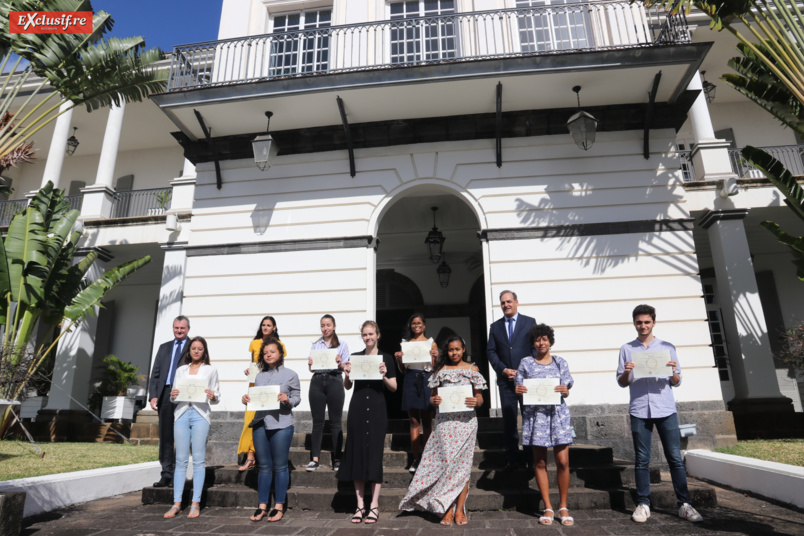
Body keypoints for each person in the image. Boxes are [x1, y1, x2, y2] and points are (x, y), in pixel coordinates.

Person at [616, 304, 703, 524]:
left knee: (674, 457)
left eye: (647, 322)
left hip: (665, 408)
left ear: (654, 322)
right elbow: (621, 382)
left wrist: (673, 371)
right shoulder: (627, 348)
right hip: (639, 409)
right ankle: (644, 503)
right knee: (642, 460)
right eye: (639, 322)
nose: (643, 326)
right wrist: (627, 371)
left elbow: (677, 381)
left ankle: (684, 504)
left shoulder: (667, 347)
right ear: (634, 323)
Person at [399, 335, 487, 526]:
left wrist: (476, 401)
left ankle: (460, 508)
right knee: (447, 465)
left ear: (463, 350)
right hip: (445, 424)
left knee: (463, 467)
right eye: (450, 349)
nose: (454, 353)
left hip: (466, 424)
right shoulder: (440, 371)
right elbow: (432, 398)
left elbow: (480, 398)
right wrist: (434, 401)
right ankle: (446, 508)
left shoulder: (473, 369)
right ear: (446, 352)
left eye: (457, 349)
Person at [514, 324, 574, 526]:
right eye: (538, 339)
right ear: (533, 342)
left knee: (563, 461)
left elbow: (567, 389)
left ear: (550, 341)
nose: (541, 343)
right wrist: (520, 389)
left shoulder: (560, 362)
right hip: (536, 416)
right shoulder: (526, 363)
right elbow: (518, 386)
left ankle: (563, 506)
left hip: (557, 415)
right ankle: (548, 507)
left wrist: (565, 390)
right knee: (539, 462)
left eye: (545, 339)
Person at [338, 321, 397, 524]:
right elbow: (347, 386)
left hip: (378, 409)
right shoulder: (355, 357)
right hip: (358, 408)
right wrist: (346, 374)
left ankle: (374, 505)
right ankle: (359, 505)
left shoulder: (386, 358)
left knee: (374, 454)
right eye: (365, 334)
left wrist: (383, 375)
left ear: (378, 335)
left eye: (371, 334)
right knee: (356, 453)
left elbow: (394, 387)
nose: (368, 337)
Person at [241, 338, 301, 522]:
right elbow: (256, 398)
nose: (268, 355)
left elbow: (297, 398)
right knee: (264, 466)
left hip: (282, 424)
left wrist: (287, 400)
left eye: (272, 352)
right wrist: (246, 399)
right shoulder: (259, 376)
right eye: (265, 352)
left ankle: (279, 505)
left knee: (280, 466)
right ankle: (262, 506)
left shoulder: (291, 374)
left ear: (280, 353)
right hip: (260, 423)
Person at [163, 336, 220, 519]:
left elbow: (217, 395)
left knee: (198, 459)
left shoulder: (210, 370)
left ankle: (195, 503)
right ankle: (177, 503)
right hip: (181, 414)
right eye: (193, 348)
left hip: (200, 415)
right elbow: (174, 396)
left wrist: (213, 395)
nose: (196, 351)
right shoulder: (181, 370)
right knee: (180, 459)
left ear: (204, 351)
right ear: (189, 350)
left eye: (200, 348)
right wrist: (173, 394)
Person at [487, 290, 536, 471]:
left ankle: (531, 458)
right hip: (506, 381)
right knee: (509, 420)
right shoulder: (495, 326)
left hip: (526, 382)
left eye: (509, 301)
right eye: (502, 303)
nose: (506, 305)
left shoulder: (529, 322)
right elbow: (490, 351)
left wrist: (522, 371)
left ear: (516, 302)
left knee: (529, 418)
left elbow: (534, 349)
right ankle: (512, 458)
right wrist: (503, 369)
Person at [237, 316, 286, 472]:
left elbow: (280, 367)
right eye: (263, 325)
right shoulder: (255, 343)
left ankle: (263, 457)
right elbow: (254, 364)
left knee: (267, 421)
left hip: (271, 386)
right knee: (250, 421)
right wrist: (249, 370)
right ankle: (250, 458)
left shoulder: (280, 345)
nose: (265, 327)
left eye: (268, 325)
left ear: (274, 327)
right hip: (255, 385)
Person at [148, 315, 191, 488]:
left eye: (182, 328)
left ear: (188, 329)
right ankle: (166, 473)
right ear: (173, 328)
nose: (179, 331)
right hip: (165, 394)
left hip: (184, 395)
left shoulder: (193, 346)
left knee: (181, 435)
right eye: (176, 328)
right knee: (165, 435)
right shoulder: (164, 347)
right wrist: (153, 395)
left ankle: (178, 474)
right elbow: (155, 374)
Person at [393, 313, 438, 473]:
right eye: (413, 323)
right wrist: (399, 359)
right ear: (411, 326)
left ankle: (426, 457)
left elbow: (435, 368)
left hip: (426, 380)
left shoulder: (431, 343)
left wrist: (435, 358)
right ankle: (415, 458)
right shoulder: (406, 344)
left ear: (424, 325)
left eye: (419, 323)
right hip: (411, 379)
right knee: (413, 421)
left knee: (426, 421)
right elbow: (404, 370)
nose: (416, 325)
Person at [306, 314, 350, 471]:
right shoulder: (316, 345)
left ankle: (337, 459)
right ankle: (315, 459)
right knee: (317, 421)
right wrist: (311, 364)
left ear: (334, 326)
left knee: (335, 421)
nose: (325, 328)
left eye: (328, 325)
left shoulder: (342, 345)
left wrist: (340, 364)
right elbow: (311, 368)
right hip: (317, 381)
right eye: (323, 325)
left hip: (334, 380)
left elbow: (346, 368)